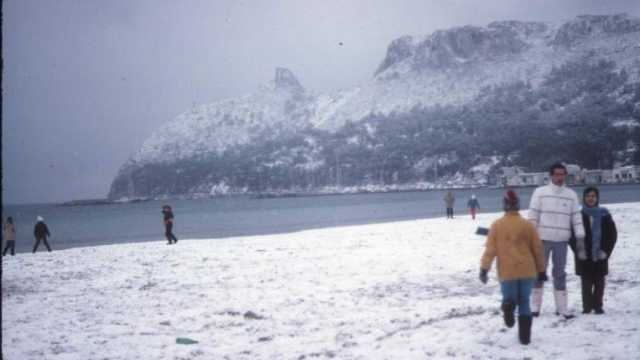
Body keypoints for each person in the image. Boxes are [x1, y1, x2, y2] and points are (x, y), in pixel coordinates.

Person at [479, 189, 546, 345]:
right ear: (518, 205)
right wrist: (541, 270)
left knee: (509, 298)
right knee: (524, 301)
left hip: (507, 271)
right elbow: (537, 249)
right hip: (527, 270)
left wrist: (484, 269)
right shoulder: (528, 225)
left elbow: (490, 250)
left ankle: (508, 307)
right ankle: (525, 338)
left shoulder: (496, 225)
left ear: (504, 205)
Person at [528, 163, 584, 319]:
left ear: (565, 175)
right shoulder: (539, 192)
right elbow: (533, 216)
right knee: (539, 272)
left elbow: (576, 218)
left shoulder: (571, 194)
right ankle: (534, 308)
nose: (560, 177)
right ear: (551, 175)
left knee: (560, 274)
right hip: (542, 239)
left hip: (562, 240)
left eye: (562, 174)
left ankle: (562, 309)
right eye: (557, 174)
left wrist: (580, 237)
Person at [569, 187, 617, 314]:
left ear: (597, 198)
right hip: (584, 255)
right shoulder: (578, 215)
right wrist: (579, 251)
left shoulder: (605, 215)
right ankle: (587, 307)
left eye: (593, 196)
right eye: (588, 196)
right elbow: (572, 236)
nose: (590, 198)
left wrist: (605, 251)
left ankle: (598, 306)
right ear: (584, 198)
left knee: (599, 283)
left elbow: (612, 235)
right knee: (586, 284)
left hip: (600, 254)